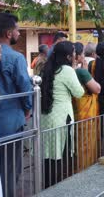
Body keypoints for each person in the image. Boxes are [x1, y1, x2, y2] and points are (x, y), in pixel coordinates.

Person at [0, 13, 32, 197]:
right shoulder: (16, 58)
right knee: (9, 169)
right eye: (17, 30)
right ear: (9, 33)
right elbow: (25, 86)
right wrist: (27, 109)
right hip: (10, 122)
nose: (19, 33)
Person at [40, 41, 84, 188]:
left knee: (48, 156)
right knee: (60, 157)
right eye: (73, 53)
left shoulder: (48, 68)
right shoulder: (66, 70)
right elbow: (79, 92)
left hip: (47, 117)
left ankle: (47, 188)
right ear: (68, 56)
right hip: (61, 119)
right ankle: (58, 190)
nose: (75, 55)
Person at [72, 42, 101, 171]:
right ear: (77, 56)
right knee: (86, 143)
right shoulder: (81, 72)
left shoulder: (68, 70)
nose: (84, 56)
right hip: (86, 113)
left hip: (75, 111)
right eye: (82, 54)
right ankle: (84, 168)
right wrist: (85, 71)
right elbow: (97, 88)